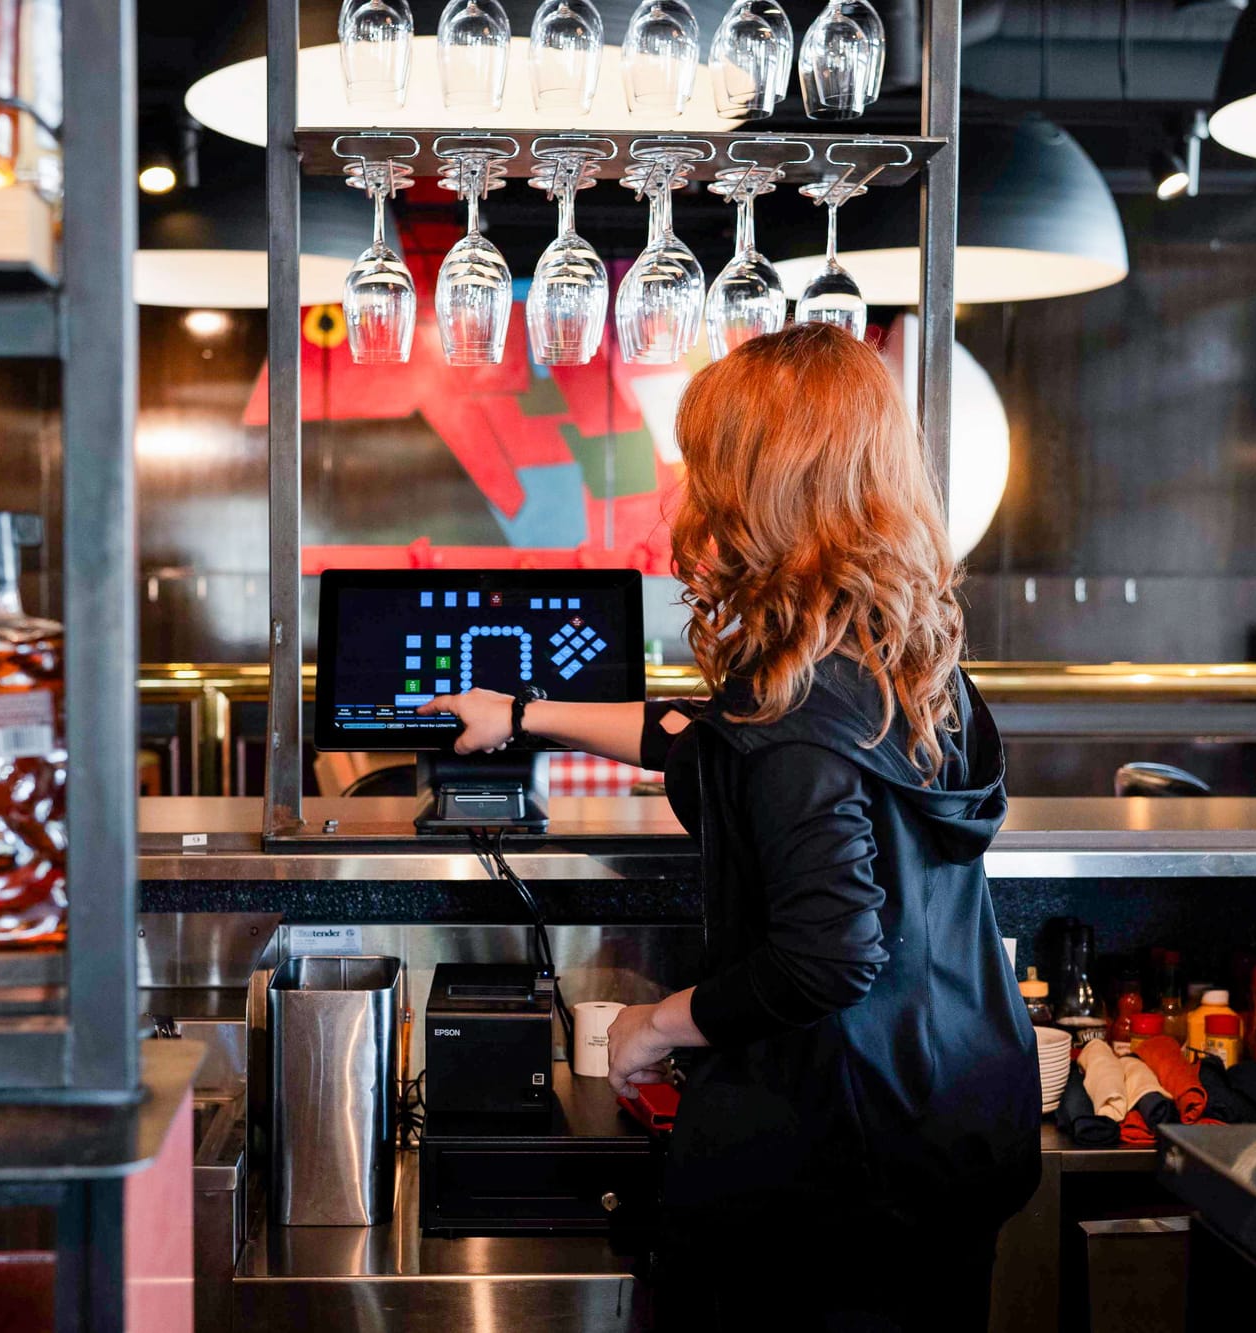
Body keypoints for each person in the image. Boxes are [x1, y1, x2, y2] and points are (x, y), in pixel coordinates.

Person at [420, 324, 1040, 1330]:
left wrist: (654, 1023)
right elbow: (708, 739)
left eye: (702, 462)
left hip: (836, 1168)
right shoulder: (894, 651)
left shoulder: (798, 717)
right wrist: (522, 712)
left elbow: (826, 955)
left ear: (760, 487)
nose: (685, 488)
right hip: (948, 1109)